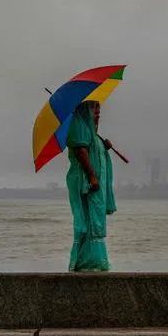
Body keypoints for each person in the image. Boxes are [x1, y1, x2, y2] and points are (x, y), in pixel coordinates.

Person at [65, 101, 117, 271]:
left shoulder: (90, 131)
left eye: (99, 110)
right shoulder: (78, 125)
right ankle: (87, 262)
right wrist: (92, 176)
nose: (98, 113)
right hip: (86, 182)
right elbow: (81, 151)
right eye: (94, 109)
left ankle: (95, 261)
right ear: (85, 110)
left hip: (94, 183)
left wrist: (105, 146)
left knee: (95, 220)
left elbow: (93, 151)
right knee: (88, 220)